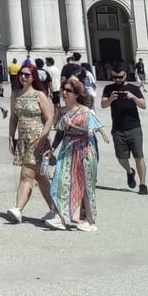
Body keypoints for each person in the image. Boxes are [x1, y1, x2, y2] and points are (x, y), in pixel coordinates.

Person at [4, 60, 62, 226]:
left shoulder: (39, 95)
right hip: (23, 138)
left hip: (37, 138)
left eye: (27, 75)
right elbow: (13, 118)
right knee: (41, 178)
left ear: (33, 77)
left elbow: (50, 118)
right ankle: (55, 210)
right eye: (21, 74)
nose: (23, 77)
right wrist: (10, 136)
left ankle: (18, 208)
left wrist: (44, 137)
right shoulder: (15, 94)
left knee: (26, 174)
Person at [48, 75, 105, 230]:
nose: (64, 93)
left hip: (84, 150)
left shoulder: (85, 111)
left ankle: (90, 221)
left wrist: (72, 125)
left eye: (69, 90)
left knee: (85, 185)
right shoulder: (61, 111)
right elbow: (60, 132)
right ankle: (60, 217)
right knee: (60, 181)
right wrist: (52, 148)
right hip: (67, 150)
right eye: (63, 90)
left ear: (77, 94)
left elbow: (89, 132)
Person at [100, 65, 148, 194]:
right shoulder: (109, 89)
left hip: (134, 127)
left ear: (125, 75)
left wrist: (133, 97)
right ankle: (129, 171)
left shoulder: (133, 88)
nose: (117, 79)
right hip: (118, 129)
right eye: (115, 77)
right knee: (121, 157)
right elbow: (103, 105)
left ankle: (143, 185)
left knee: (139, 156)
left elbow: (144, 106)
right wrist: (111, 98)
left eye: (120, 77)